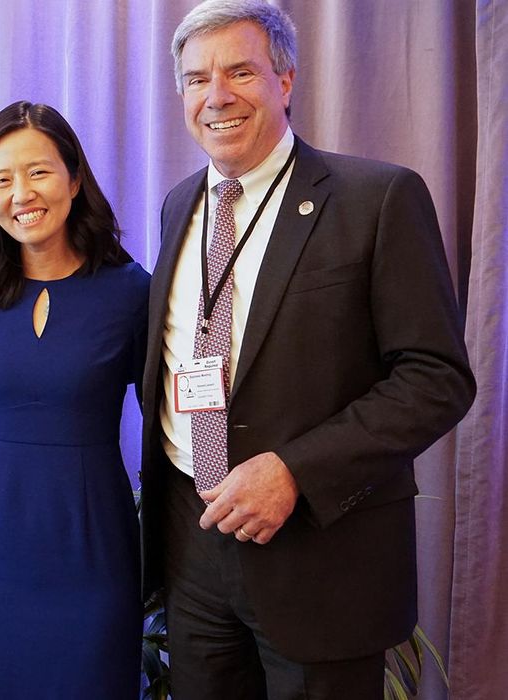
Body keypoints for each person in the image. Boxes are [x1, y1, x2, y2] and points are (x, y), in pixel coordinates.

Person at [140, 2, 476, 697]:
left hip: (320, 554)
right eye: (197, 78)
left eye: (240, 71)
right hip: (191, 546)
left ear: (285, 79)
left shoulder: (375, 198)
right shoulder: (178, 206)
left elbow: (436, 377)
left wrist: (293, 471)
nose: (216, 95)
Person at [0, 101, 149, 698]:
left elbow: (175, 425)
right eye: (1, 179)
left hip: (93, 550)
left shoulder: (131, 291)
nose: (21, 193)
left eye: (38, 172)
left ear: (74, 178)